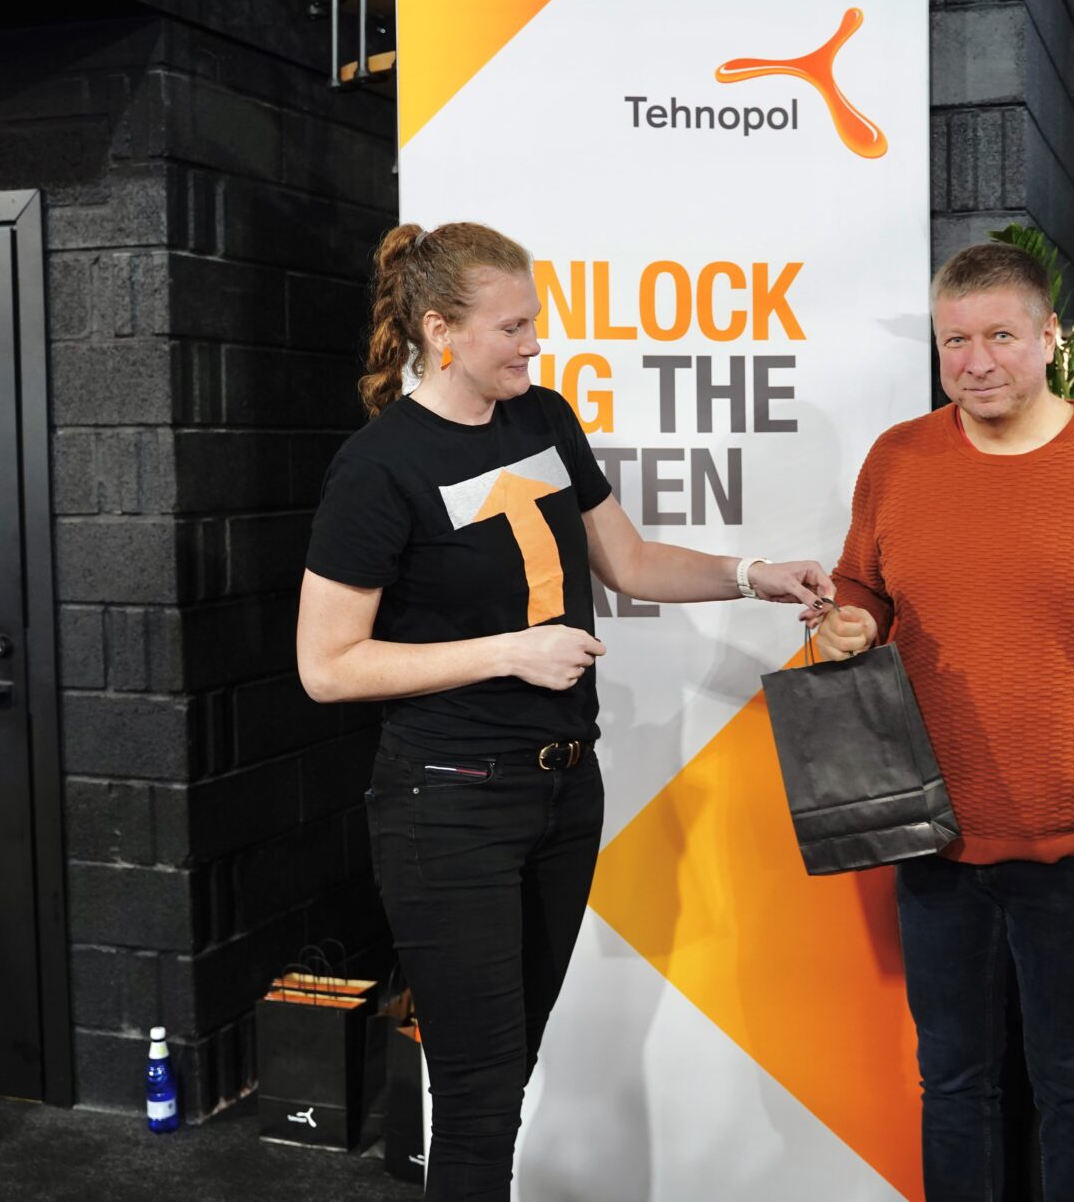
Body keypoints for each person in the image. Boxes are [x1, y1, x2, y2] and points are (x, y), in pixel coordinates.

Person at [295, 222, 832, 1202]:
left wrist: (752, 573)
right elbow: (327, 666)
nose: (535, 343)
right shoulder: (380, 465)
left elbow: (629, 560)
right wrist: (510, 651)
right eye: (512, 326)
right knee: (478, 1097)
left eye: (534, 321)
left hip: (562, 794)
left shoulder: (542, 417)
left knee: (508, 1073)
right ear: (440, 329)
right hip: (448, 804)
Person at [807, 241, 1074, 1199]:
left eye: (1000, 336)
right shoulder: (897, 458)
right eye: (955, 341)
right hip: (931, 840)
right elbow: (865, 583)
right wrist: (849, 621)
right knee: (952, 1086)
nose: (976, 362)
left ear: (1048, 338)